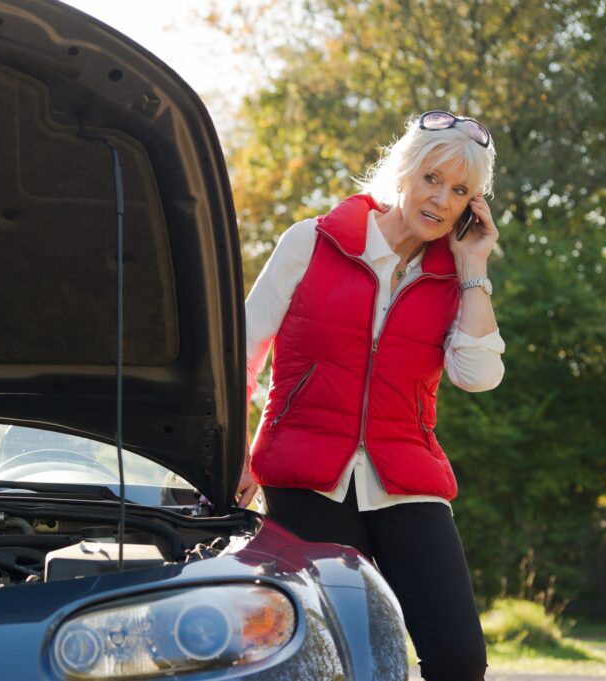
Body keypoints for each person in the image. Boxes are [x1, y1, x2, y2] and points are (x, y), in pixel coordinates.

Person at [237, 111, 504, 681]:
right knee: (336, 659)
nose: (440, 199)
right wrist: (235, 444)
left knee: (459, 659)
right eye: (432, 178)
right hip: (303, 478)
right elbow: (242, 351)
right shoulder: (312, 241)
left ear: (471, 207)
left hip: (406, 480)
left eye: (459, 190)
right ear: (403, 172)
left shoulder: (455, 276)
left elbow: (477, 376)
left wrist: (473, 266)